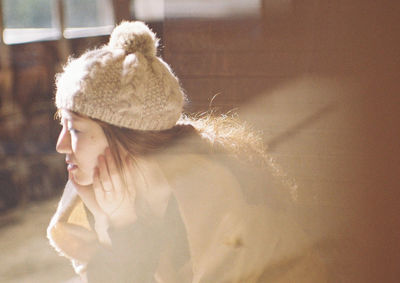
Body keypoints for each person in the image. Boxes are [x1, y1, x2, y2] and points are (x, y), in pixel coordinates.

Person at [47, 21, 326, 282]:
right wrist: (121, 224)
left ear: (127, 136)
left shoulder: (208, 191)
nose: (61, 146)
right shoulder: (98, 191)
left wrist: (123, 227)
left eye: (76, 130)